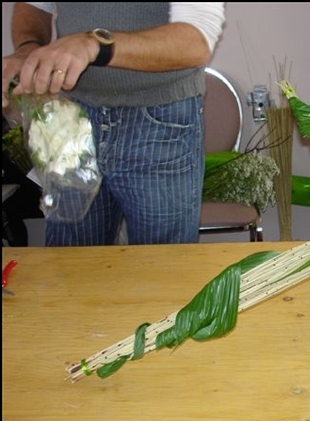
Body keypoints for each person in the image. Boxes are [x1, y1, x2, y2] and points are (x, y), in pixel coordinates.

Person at [1, 2, 226, 246]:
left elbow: (196, 41)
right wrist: (28, 48)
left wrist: (94, 44)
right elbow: (33, 5)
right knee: (70, 261)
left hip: (160, 119)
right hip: (73, 115)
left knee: (161, 262)